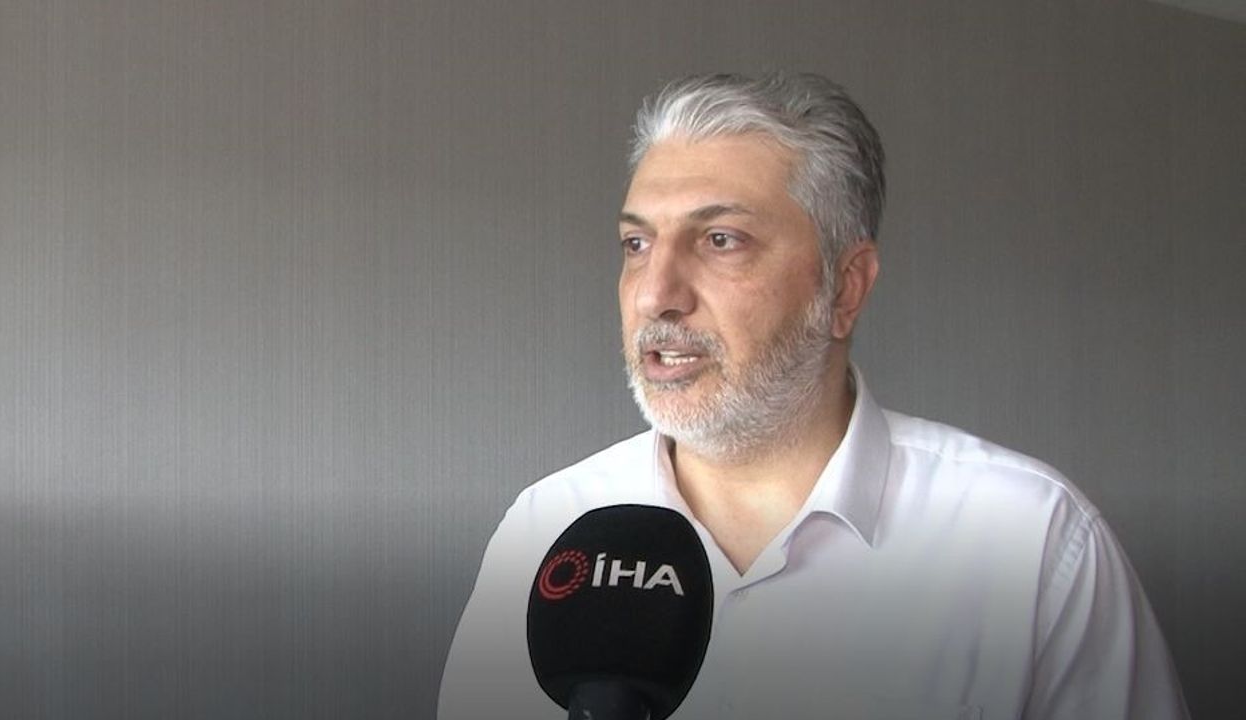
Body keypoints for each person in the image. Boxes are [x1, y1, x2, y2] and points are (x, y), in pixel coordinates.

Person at [437, 72, 1189, 719]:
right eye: (637, 244)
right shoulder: (545, 529)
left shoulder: (1033, 540)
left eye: (720, 239)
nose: (655, 294)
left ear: (845, 288)